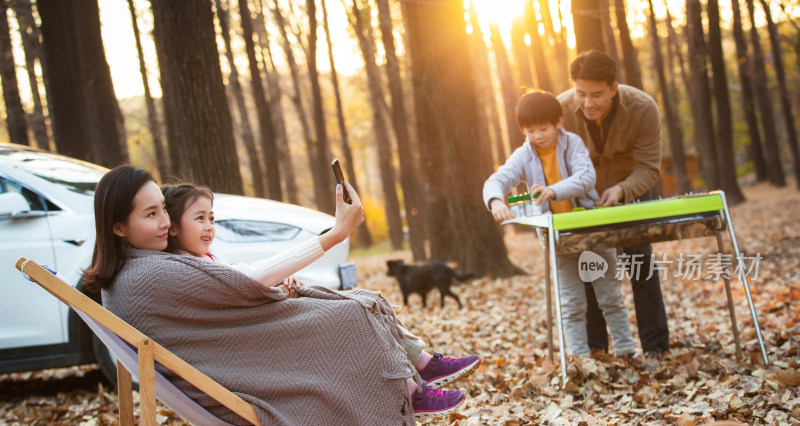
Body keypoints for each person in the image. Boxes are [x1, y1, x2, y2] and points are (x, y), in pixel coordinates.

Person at [83, 166, 478, 426]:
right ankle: (409, 395)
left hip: (227, 361)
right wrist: (335, 234)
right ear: (118, 226)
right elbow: (244, 283)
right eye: (151, 215)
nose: (165, 223)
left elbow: (227, 288)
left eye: (163, 211)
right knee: (349, 316)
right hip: (231, 377)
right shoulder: (147, 275)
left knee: (344, 310)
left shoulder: (133, 273)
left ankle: (413, 384)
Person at [159, 181, 482, 387]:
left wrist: (278, 283)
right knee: (352, 310)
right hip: (262, 349)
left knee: (358, 301)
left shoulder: (207, 260)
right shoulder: (186, 268)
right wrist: (334, 235)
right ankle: (413, 384)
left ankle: (423, 365)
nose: (209, 226)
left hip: (269, 331)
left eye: (212, 218)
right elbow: (249, 281)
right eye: (199, 218)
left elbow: (246, 274)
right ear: (172, 228)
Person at [483, 90, 636, 357]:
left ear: (558, 123)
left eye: (544, 128)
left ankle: (626, 351)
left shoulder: (573, 143)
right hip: (558, 239)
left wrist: (553, 190)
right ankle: (579, 358)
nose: (538, 135)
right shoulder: (523, 155)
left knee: (609, 296)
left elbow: (586, 177)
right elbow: (498, 179)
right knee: (571, 303)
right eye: (530, 130)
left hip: (591, 232)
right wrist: (496, 201)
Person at [558, 50, 670, 356]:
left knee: (640, 262)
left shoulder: (643, 108)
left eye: (597, 95)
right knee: (589, 267)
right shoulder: (561, 110)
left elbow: (649, 168)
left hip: (630, 188)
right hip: (582, 196)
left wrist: (621, 190)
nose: (588, 103)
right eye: (581, 94)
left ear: (614, 88)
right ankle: (596, 349)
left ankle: (656, 346)